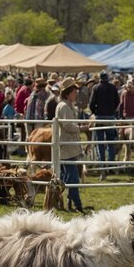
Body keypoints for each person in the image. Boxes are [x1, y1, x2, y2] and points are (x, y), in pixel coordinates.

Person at [55, 77, 84, 213]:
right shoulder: (65, 107)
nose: (75, 94)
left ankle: (70, 203)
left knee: (70, 177)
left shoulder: (65, 106)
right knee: (72, 178)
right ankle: (76, 204)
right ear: (67, 93)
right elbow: (67, 125)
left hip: (68, 147)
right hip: (68, 147)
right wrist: (81, 128)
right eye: (74, 91)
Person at [89, 70, 119, 179]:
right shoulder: (112, 88)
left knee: (100, 143)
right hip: (110, 117)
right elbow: (117, 101)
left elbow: (91, 103)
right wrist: (112, 110)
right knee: (111, 141)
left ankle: (102, 169)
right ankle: (111, 164)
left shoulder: (96, 88)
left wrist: (95, 111)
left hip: (100, 117)